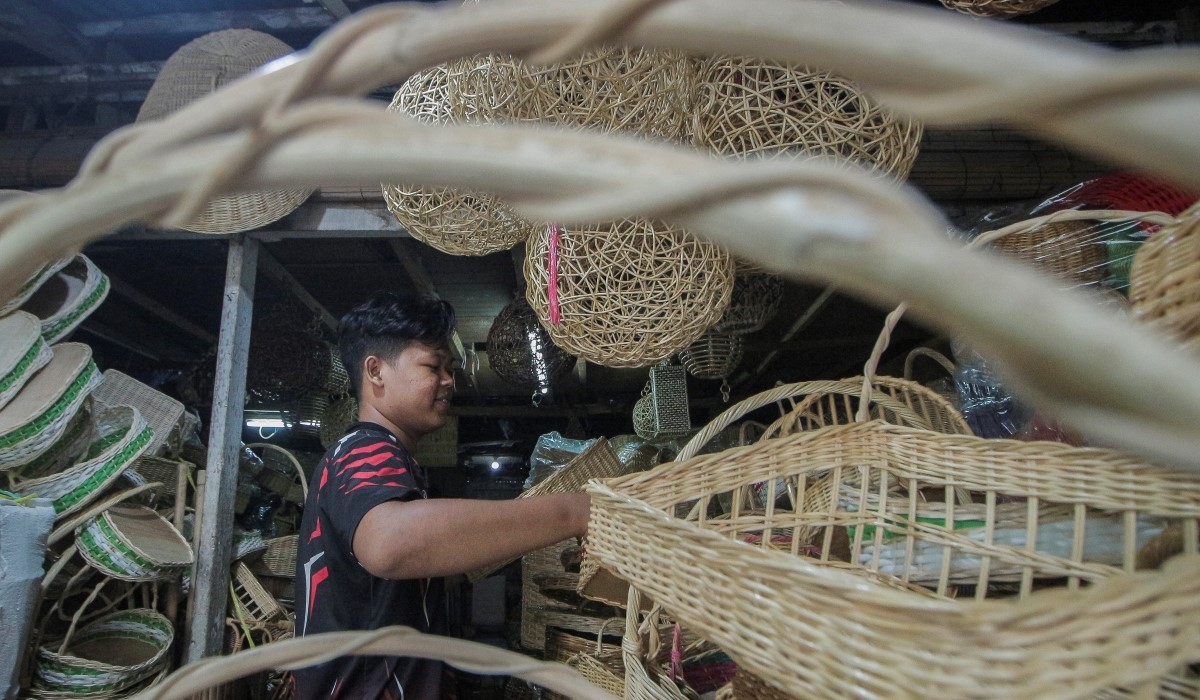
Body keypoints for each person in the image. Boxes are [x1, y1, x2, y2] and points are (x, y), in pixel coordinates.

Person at [293, 291, 590, 700]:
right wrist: (571, 513)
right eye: (434, 366)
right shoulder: (366, 449)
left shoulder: (389, 459)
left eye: (450, 368)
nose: (449, 381)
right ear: (376, 371)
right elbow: (391, 544)